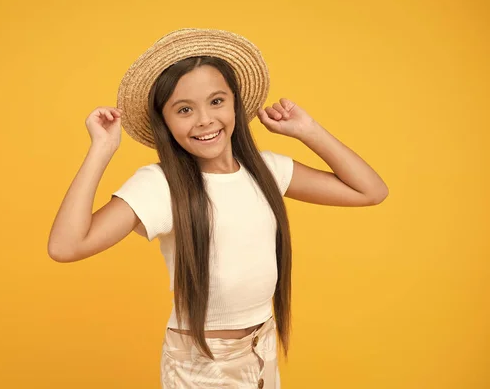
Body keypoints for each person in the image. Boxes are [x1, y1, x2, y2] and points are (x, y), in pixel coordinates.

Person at [48, 28, 388, 388]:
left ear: (236, 104)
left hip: (261, 347)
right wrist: (101, 150)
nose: (205, 120)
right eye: (184, 110)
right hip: (201, 363)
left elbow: (370, 191)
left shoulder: (267, 169)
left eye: (216, 101)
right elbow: (66, 246)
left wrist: (308, 130)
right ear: (164, 122)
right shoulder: (160, 185)